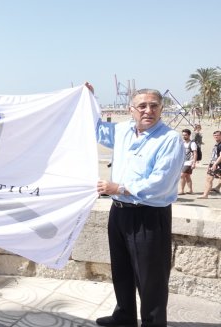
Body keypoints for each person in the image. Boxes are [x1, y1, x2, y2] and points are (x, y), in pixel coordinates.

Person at [90, 85, 184, 327]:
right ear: (131, 109)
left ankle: (153, 323)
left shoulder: (170, 139)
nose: (148, 110)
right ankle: (124, 315)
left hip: (148, 216)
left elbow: (159, 183)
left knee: (150, 278)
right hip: (119, 213)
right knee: (121, 269)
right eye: (142, 106)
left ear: (161, 109)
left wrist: (118, 188)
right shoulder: (122, 130)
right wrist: (89, 98)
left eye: (154, 106)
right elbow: (97, 130)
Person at [197, 130, 221, 199]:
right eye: (215, 135)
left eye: (218, 135)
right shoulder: (217, 144)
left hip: (217, 164)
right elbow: (214, 156)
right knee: (209, 178)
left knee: (209, 179)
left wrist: (215, 164)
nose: (216, 136)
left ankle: (205, 195)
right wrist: (210, 164)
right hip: (214, 163)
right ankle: (206, 194)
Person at [179, 129, 198, 195]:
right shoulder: (183, 143)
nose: (184, 136)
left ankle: (181, 190)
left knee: (182, 175)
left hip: (189, 162)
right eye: (183, 135)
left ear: (189, 135)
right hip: (183, 161)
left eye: (185, 135)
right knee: (187, 176)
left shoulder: (192, 143)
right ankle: (190, 190)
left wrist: (194, 163)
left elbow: (195, 153)